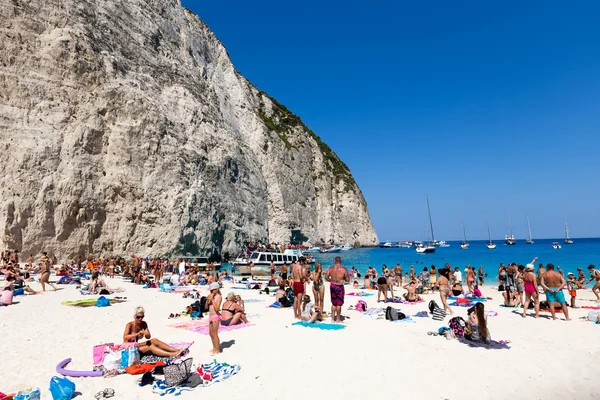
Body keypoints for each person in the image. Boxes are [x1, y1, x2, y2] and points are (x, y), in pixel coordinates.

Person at [325, 256, 349, 323]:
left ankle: (332, 319)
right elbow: (347, 280)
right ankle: (338, 319)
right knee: (339, 303)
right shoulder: (343, 269)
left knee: (333, 303)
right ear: (340, 261)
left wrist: (331, 280)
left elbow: (326, 277)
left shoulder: (331, 268)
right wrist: (342, 278)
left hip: (332, 285)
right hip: (339, 286)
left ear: (335, 261)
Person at [206, 282, 222, 355]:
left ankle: (217, 349)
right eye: (210, 290)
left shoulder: (219, 297)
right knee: (210, 333)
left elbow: (217, 308)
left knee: (215, 333)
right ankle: (214, 347)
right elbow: (206, 307)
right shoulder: (211, 296)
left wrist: (212, 300)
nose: (211, 292)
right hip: (210, 316)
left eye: (212, 290)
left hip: (216, 316)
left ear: (217, 289)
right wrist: (207, 301)